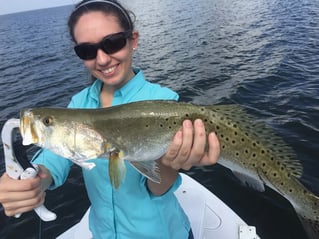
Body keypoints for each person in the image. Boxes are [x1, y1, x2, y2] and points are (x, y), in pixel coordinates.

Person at [0, 1, 220, 238]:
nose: (102, 59)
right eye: (87, 50)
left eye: (112, 43)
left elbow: (158, 188)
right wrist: (33, 181)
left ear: (133, 40)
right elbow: (55, 156)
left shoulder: (164, 102)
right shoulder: (78, 104)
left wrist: (172, 163)